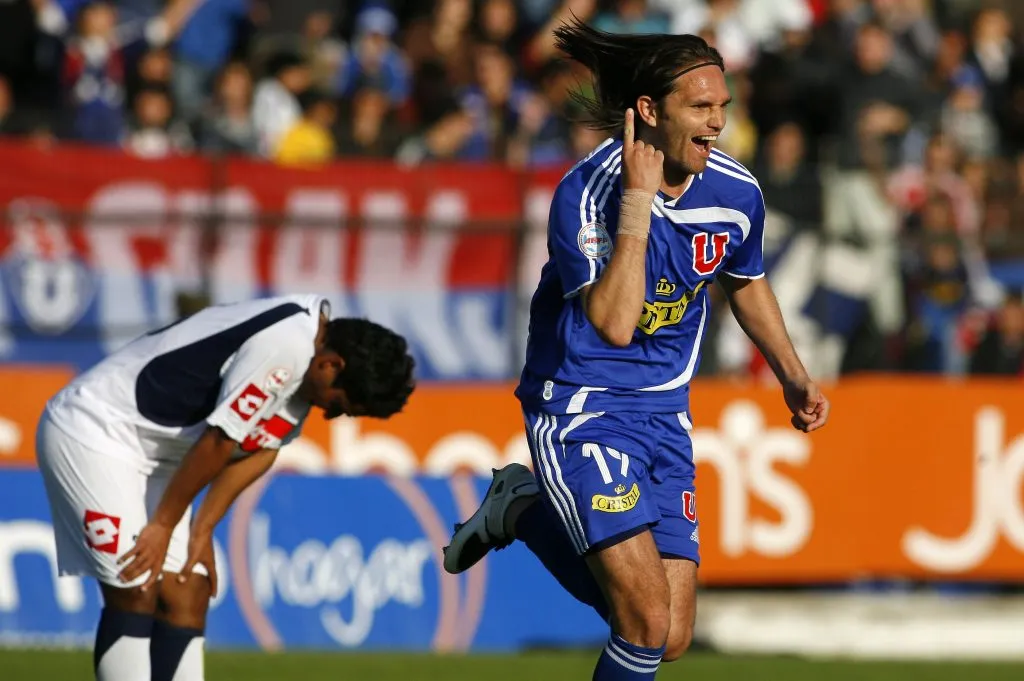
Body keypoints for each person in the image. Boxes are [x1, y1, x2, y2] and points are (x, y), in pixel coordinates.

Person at [443, 20, 829, 680]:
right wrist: (638, 204)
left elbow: (746, 279)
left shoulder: (737, 195)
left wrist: (791, 371)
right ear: (649, 111)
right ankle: (531, 506)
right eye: (701, 108)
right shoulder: (586, 193)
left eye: (723, 108)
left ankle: (522, 509)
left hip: (664, 414)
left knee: (670, 634)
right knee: (643, 623)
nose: (717, 124)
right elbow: (615, 322)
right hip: (580, 410)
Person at [36, 294, 415, 681]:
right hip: (96, 430)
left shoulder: (310, 356)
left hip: (161, 454)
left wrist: (203, 528)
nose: (331, 414)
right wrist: (164, 525)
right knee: (135, 586)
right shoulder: (287, 345)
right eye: (340, 404)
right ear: (331, 364)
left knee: (188, 590)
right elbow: (220, 442)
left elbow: (261, 448)